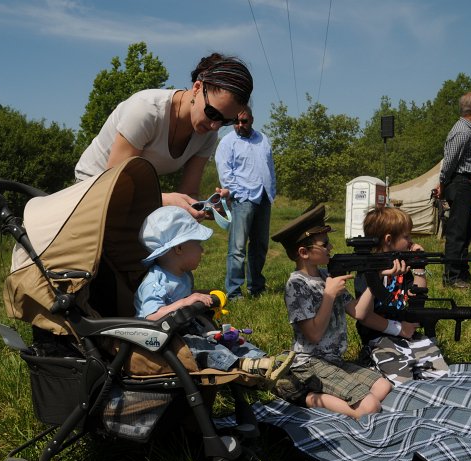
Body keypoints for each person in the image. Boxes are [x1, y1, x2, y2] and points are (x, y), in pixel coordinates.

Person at [75, 53, 253, 220]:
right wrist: (162, 200)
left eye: (226, 122)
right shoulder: (145, 110)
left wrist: (204, 207)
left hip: (131, 197)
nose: (215, 126)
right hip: (91, 190)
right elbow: (114, 187)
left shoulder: (207, 135)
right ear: (197, 87)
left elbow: (189, 192)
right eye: (212, 113)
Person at [134, 206, 292, 379]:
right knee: (202, 346)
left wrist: (201, 294)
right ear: (179, 248)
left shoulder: (183, 275)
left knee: (226, 338)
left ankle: (263, 360)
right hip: (164, 341)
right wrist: (186, 302)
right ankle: (240, 366)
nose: (202, 250)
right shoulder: (154, 282)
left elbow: (183, 295)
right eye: (197, 244)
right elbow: (151, 317)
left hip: (187, 328)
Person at [270, 205, 394, 420]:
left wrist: (377, 279)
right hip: (310, 363)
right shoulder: (297, 285)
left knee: (384, 385)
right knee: (370, 407)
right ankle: (301, 396)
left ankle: (345, 399)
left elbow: (358, 312)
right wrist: (328, 296)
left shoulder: (327, 276)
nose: (331, 247)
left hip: (332, 360)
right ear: (304, 252)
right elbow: (313, 334)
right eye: (324, 244)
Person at [353, 207, 450, 385]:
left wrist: (419, 269)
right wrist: (399, 329)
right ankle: (370, 363)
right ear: (389, 239)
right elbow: (364, 316)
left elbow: (417, 300)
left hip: (407, 334)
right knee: (401, 381)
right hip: (379, 337)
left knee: (440, 374)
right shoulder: (367, 271)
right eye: (406, 237)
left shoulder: (401, 268)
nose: (410, 241)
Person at [215, 105, 276, 300]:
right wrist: (238, 194)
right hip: (242, 199)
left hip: (263, 198)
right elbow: (225, 173)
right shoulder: (227, 142)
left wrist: (271, 192)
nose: (239, 125)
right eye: (235, 121)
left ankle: (257, 286)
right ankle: (233, 292)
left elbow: (270, 168)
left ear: (252, 119)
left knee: (260, 245)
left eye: (244, 121)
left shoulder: (263, 139)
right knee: (238, 248)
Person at [438, 92, 471, 289]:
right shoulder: (462, 131)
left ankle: (462, 272)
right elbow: (449, 162)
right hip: (460, 182)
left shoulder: (467, 130)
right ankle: (452, 276)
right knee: (457, 231)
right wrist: (442, 183)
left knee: (465, 230)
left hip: (465, 183)